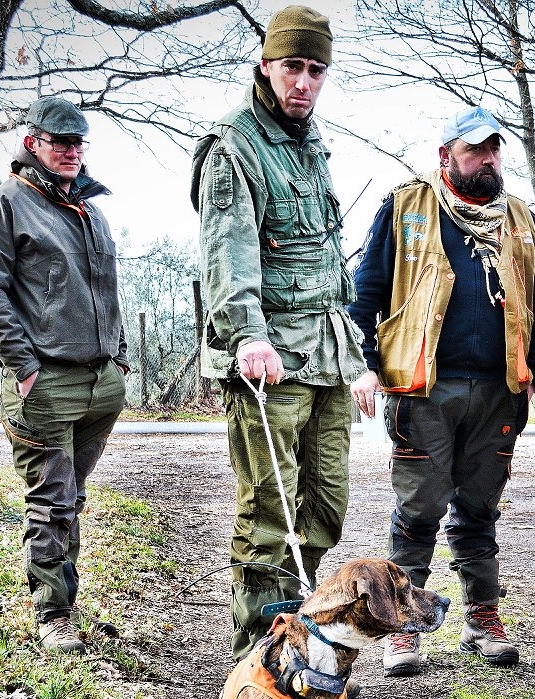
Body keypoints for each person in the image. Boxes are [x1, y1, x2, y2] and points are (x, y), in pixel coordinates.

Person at [190, 6, 365, 662]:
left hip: (324, 355)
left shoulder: (309, 140)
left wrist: (355, 349)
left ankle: (291, 623)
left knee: (325, 508)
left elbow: (321, 255)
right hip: (269, 359)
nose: (304, 82)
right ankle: (259, 660)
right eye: (293, 66)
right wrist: (246, 336)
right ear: (266, 64)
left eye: (317, 70)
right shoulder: (234, 144)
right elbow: (227, 254)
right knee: (271, 517)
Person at [349, 106, 535, 675]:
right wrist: (365, 366)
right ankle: (401, 623)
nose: (487, 161)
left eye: (494, 151)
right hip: (422, 388)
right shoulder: (406, 207)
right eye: (474, 151)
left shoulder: (519, 218)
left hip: (498, 390)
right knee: (419, 507)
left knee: (480, 508)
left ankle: (482, 615)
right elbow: (365, 294)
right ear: (446, 157)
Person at [0, 96, 129, 655]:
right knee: (52, 500)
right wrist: (25, 367)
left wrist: (120, 356)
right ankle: (53, 614)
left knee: (73, 497)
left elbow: (106, 291)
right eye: (61, 142)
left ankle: (68, 602)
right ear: (32, 143)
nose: (72, 152)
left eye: (79, 143)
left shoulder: (91, 209)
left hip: (100, 382)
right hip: (45, 384)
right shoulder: (3, 205)